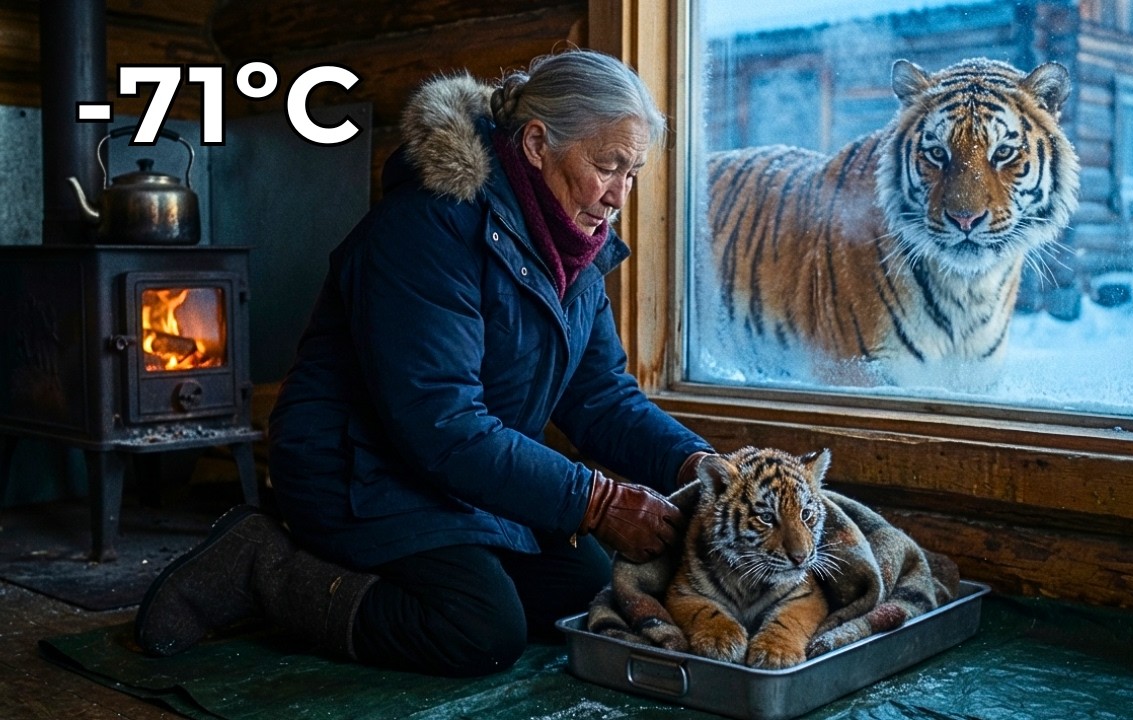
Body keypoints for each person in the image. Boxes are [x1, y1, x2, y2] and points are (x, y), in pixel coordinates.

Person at [132, 48, 714, 677]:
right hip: (357, 468)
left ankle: (434, 569)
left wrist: (702, 464)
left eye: (634, 173)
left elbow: (601, 396)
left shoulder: (575, 254)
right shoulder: (429, 226)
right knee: (479, 629)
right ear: (539, 143)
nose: (619, 196)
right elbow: (440, 421)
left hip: (458, 472)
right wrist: (596, 503)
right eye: (608, 167)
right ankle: (263, 564)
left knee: (582, 595)